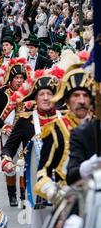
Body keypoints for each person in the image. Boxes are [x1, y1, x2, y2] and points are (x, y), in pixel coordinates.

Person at [1, 67, 64, 228]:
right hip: (37, 185)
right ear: (35, 97)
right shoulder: (24, 121)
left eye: (49, 94)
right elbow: (9, 147)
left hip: (63, 184)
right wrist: (6, 160)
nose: (45, 98)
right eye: (41, 94)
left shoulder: (65, 119)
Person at [35, 65, 93, 207]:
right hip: (69, 201)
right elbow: (43, 171)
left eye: (85, 95)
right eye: (76, 95)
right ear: (66, 101)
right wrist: (55, 193)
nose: (81, 100)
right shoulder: (55, 129)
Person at [0, 57, 32, 206]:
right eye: (16, 78)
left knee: (24, 163)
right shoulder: (1, 93)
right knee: (10, 164)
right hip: (8, 133)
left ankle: (24, 196)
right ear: (10, 79)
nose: (19, 81)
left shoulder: (29, 93)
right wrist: (3, 126)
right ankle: (12, 195)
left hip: (25, 132)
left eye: (21, 78)